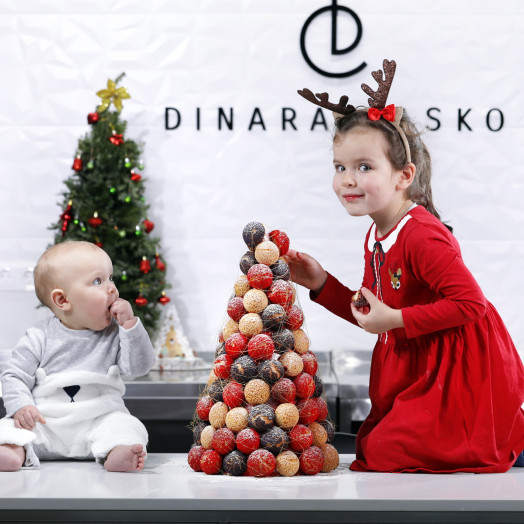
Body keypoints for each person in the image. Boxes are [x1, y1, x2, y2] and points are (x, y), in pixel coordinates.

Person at [289, 60, 524, 473]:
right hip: (417, 364)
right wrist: (322, 283)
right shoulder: (378, 232)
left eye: (364, 167)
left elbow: (471, 305)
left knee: (384, 452)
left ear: (403, 176)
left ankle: (507, 438)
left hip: (455, 371)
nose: (347, 179)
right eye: (340, 167)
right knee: (374, 447)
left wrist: (397, 319)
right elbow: (372, 313)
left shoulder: (420, 235)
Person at [0, 241, 155, 472]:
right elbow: (14, 376)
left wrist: (130, 326)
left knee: (128, 426)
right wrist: (22, 406)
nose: (112, 289)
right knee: (7, 427)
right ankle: (12, 450)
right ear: (63, 300)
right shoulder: (38, 337)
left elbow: (139, 368)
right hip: (45, 423)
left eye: (110, 278)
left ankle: (117, 452)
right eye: (98, 281)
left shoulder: (115, 333)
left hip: (100, 421)